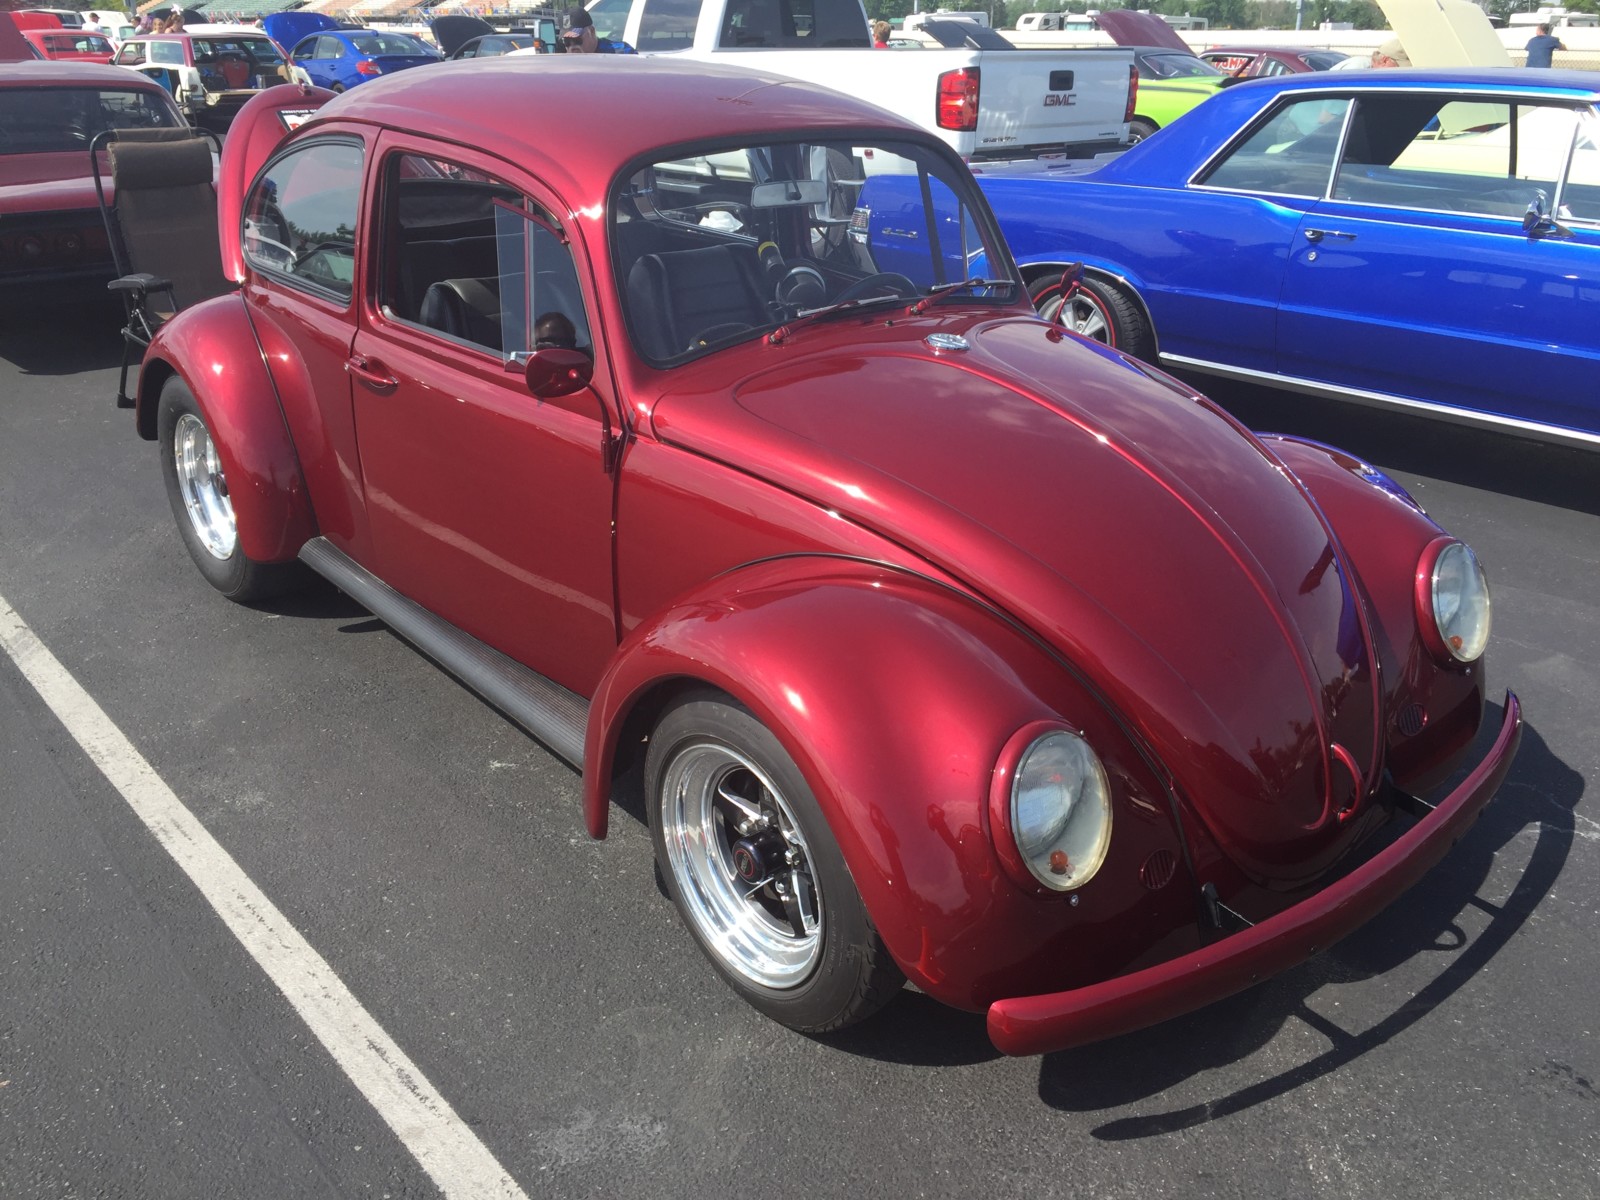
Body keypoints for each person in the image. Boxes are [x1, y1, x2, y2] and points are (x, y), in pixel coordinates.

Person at [558, 7, 634, 53]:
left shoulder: (621, 52)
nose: (572, 47)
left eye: (577, 40)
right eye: (567, 42)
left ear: (591, 31)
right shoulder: (564, 62)